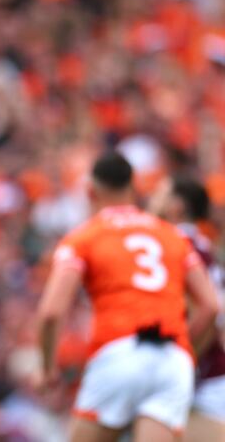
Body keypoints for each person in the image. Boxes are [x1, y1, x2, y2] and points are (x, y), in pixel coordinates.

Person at [35, 152, 220, 442]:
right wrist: (184, 349)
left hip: (118, 351)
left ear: (90, 192)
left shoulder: (84, 237)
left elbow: (50, 312)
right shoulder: (173, 236)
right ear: (134, 189)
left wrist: (47, 368)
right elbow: (210, 305)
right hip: (172, 359)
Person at [149, 176, 225, 442]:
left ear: (177, 205)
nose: (152, 199)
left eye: (160, 193)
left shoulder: (177, 244)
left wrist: (182, 360)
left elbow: (209, 310)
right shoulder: (200, 243)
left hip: (204, 377)